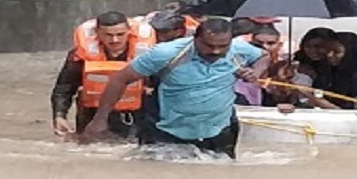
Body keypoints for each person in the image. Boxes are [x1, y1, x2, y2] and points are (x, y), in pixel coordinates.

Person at [80, 19, 268, 159]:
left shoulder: (239, 50)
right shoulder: (166, 53)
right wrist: (100, 119)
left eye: (222, 46)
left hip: (219, 132)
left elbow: (263, 56)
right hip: (166, 132)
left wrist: (256, 72)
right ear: (194, 39)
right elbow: (119, 80)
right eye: (209, 46)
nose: (216, 52)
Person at [50, 11, 155, 138]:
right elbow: (64, 87)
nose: (115, 40)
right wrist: (60, 116)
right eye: (108, 35)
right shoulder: (80, 55)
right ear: (98, 33)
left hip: (136, 114)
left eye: (120, 34)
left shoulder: (149, 54)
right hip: (91, 115)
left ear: (129, 32)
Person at [294, 30, 357, 109]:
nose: (329, 55)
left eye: (336, 52)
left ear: (352, 55)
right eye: (328, 50)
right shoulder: (331, 76)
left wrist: (321, 102)